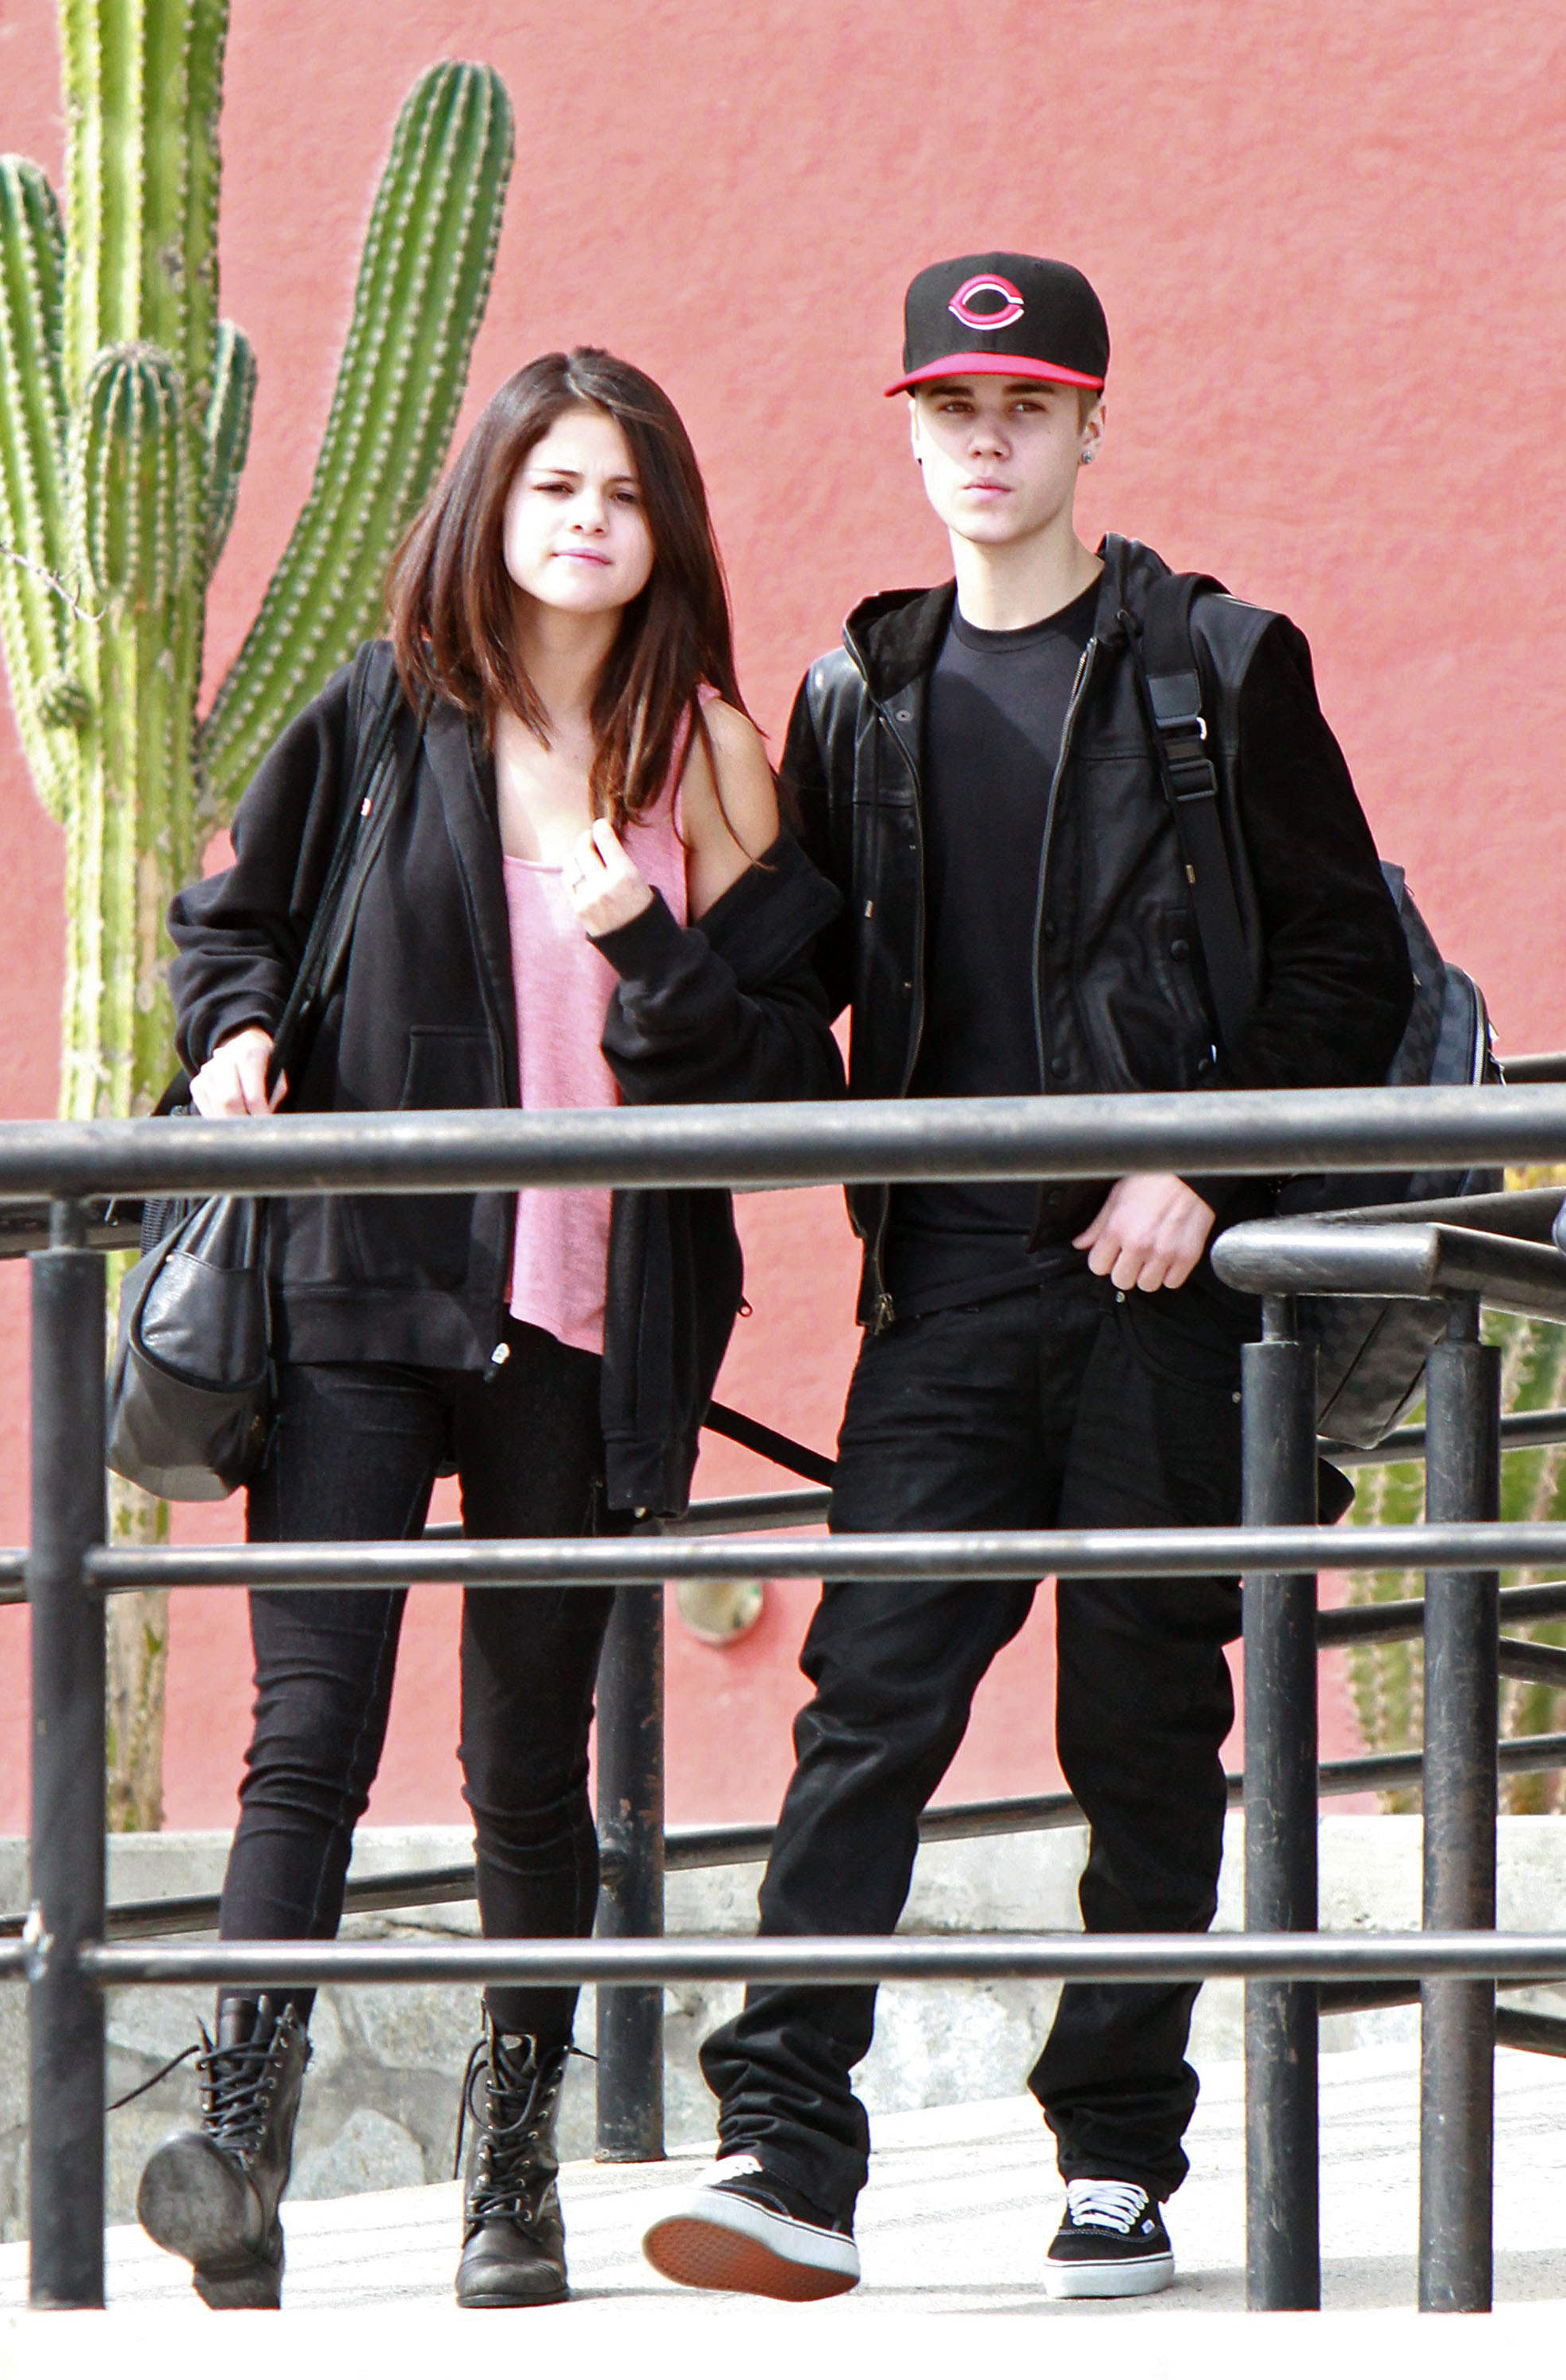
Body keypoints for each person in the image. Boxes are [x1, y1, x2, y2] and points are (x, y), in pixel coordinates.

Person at [640, 253, 1414, 2303]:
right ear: (909, 434)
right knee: (869, 1699)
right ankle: (783, 2143)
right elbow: (801, 976)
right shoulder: (857, 694)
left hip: (1165, 1288)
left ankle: (1116, 2160)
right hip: (949, 1285)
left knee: (1141, 1725)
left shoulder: (1216, 665)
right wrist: (632, 921)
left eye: (1025, 407)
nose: (985, 441)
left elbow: (1344, 963)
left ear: (1089, 428)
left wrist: (1199, 1159)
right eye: (951, 408)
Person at [134, 347, 842, 2313]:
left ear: (664, 528)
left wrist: (646, 943)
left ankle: (514, 2166)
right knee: (308, 1736)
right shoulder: (385, 713)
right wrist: (236, 1039)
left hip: (593, 1322)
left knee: (530, 1761)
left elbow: (797, 1059)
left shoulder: (706, 757)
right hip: (360, 1293)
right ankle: (241, 2147)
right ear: (492, 507)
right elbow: (231, 926)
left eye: (622, 493)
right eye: (555, 487)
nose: (588, 522)